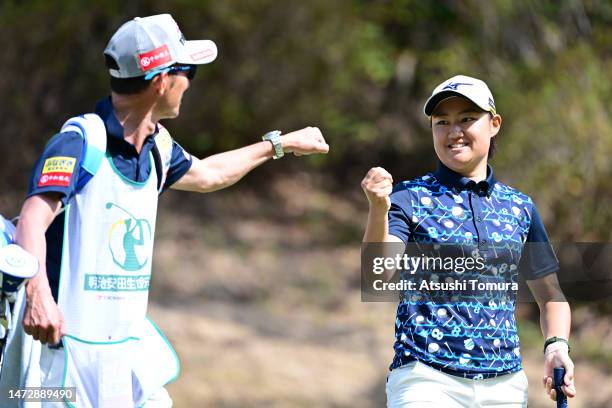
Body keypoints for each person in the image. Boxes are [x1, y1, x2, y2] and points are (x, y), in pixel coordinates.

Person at [4, 13, 329, 408]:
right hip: (58, 359)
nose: (190, 83)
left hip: (123, 353)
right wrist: (38, 296)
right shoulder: (80, 142)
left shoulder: (158, 147)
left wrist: (281, 144)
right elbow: (33, 218)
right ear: (160, 81)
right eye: (187, 70)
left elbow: (209, 174)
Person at [361, 75, 576, 407]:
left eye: (466, 119)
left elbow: (550, 296)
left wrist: (556, 347)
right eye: (441, 122)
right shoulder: (409, 197)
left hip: (504, 386)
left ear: (494, 124)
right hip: (425, 379)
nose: (453, 131)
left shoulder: (519, 207)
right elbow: (378, 274)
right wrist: (378, 210)